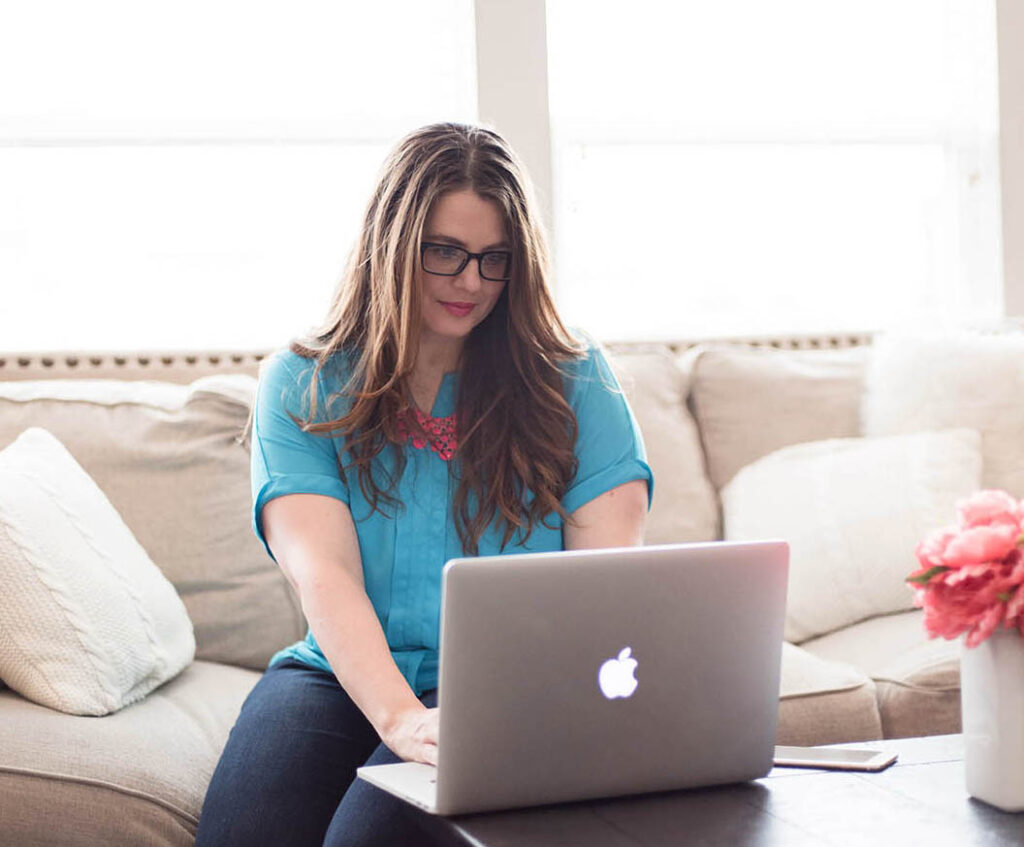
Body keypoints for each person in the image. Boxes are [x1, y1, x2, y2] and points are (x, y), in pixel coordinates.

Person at [194, 122, 654, 847]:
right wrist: (400, 718)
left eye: (495, 259)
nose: (471, 282)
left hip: (505, 688)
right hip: (337, 672)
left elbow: (604, 586)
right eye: (444, 251)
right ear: (391, 243)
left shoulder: (575, 378)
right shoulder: (302, 381)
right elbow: (325, 575)